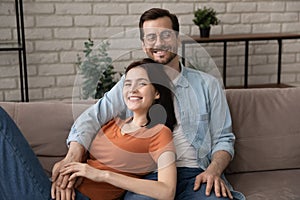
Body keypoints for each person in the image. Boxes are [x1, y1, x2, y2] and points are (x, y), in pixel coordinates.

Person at [52, 8, 245, 200]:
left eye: (166, 35)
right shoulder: (131, 84)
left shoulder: (207, 85)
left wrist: (213, 170)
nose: (159, 43)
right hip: (149, 177)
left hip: (196, 174)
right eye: (151, 37)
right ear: (144, 45)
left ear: (178, 39)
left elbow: (224, 139)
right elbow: (93, 117)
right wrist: (73, 156)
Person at [0, 58, 177, 200]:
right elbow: (86, 130)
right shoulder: (113, 122)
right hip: (59, 190)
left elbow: (166, 191)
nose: (132, 89)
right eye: (128, 83)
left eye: (142, 84)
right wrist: (66, 180)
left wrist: (102, 175)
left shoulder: (159, 133)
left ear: (157, 93)